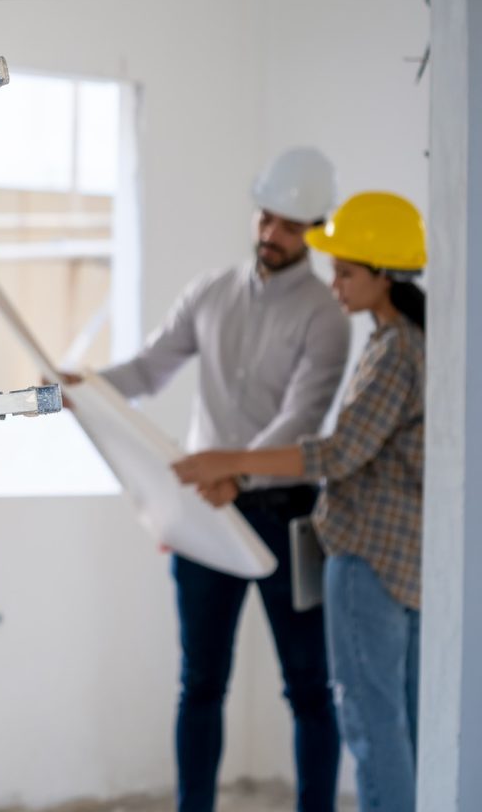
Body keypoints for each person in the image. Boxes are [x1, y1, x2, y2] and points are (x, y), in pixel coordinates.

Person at [70, 148, 351, 812]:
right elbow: (148, 370)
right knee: (200, 682)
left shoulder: (326, 316)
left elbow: (300, 421)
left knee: (309, 686)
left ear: (315, 229)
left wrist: (236, 474)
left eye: (289, 226)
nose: (271, 235)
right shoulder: (209, 291)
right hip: (205, 510)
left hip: (289, 516)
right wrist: (82, 385)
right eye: (266, 218)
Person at [176, 192, 427, 812]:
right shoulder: (406, 343)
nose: (333, 284)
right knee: (393, 719)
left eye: (345, 271)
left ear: (384, 275)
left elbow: (334, 454)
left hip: (368, 559)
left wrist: (230, 460)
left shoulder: (395, 350)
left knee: (371, 727)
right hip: (394, 561)